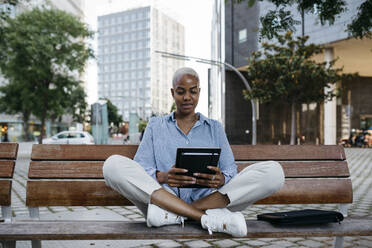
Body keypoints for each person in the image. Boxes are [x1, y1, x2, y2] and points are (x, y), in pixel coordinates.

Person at [103, 67, 285, 237]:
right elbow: (140, 169)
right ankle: (204, 218)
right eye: (181, 91)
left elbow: (231, 171)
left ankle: (177, 214)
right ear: (173, 93)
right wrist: (165, 177)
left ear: (199, 92)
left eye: (193, 91)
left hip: (208, 200)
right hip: (164, 197)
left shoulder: (215, 128)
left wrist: (220, 179)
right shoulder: (155, 126)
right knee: (112, 165)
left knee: (274, 172)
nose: (187, 97)